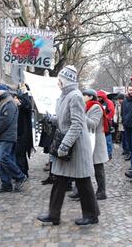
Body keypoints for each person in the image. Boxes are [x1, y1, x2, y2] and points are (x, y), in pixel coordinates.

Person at [37, 65, 100, 226]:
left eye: (59, 79)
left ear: (64, 81)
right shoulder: (64, 96)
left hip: (76, 146)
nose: (57, 82)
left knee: (83, 181)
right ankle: (53, 215)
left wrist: (64, 145)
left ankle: (91, 215)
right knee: (59, 181)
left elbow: (78, 124)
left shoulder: (75, 96)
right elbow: (64, 119)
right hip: (66, 143)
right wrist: (52, 119)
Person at [0, 85, 27, 192]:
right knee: (4, 160)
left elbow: (5, 120)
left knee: (3, 158)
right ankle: (6, 184)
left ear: (3, 91)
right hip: (2, 136)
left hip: (6, 136)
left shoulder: (9, 102)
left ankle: (20, 176)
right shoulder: (3, 102)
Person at [83, 89, 109, 200]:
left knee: (98, 167)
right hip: (87, 139)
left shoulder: (96, 107)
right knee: (83, 166)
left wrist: (81, 115)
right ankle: (80, 190)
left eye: (84, 95)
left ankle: (102, 191)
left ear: (90, 97)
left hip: (96, 140)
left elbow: (93, 124)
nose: (82, 97)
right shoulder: (86, 106)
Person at [13, 91, 34, 177]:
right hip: (20, 134)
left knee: (20, 154)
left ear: (19, 99)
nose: (13, 100)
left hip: (23, 135)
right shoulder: (19, 108)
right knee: (20, 154)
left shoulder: (24, 107)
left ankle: (23, 172)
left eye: (15, 98)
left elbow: (27, 105)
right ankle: (22, 171)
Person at [97, 91, 115, 159]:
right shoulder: (98, 102)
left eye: (99, 97)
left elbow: (111, 112)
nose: (98, 98)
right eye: (98, 97)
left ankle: (109, 153)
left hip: (107, 123)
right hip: (99, 123)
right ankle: (103, 152)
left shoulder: (109, 102)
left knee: (108, 140)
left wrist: (106, 118)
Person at [122, 85, 132, 163]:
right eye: (130, 90)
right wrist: (123, 121)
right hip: (126, 123)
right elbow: (123, 112)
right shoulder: (124, 101)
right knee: (128, 140)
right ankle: (129, 153)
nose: (131, 91)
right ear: (128, 90)